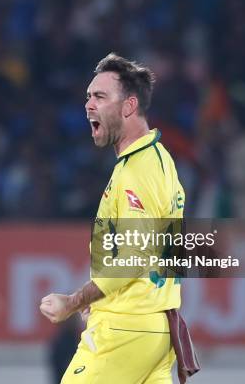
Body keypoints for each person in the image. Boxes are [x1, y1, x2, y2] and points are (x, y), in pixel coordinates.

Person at [39, 53, 198, 383]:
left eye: (99, 96)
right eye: (87, 96)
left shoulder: (137, 171)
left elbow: (132, 257)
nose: (88, 105)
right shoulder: (160, 160)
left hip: (125, 329)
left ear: (128, 106)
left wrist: (73, 301)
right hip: (155, 327)